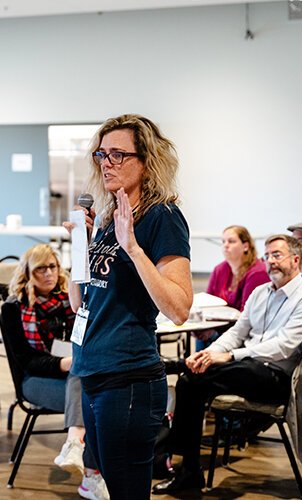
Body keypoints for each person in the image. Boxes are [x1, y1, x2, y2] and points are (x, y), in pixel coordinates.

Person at [63, 114, 193, 499]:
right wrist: (79, 247)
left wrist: (133, 247)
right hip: (92, 372)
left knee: (128, 492)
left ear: (146, 161)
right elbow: (76, 302)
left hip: (128, 379)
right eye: (102, 154)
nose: (106, 162)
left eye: (118, 154)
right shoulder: (107, 218)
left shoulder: (162, 218)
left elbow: (179, 308)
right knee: (107, 485)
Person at [152, 234, 302, 494]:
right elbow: (236, 334)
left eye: (277, 255)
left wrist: (230, 356)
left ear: (296, 259)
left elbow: (283, 346)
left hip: (275, 378)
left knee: (195, 380)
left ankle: (182, 468)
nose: (270, 262)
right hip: (246, 370)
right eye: (267, 256)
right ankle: (188, 470)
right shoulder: (261, 292)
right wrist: (208, 353)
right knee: (191, 382)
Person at [8, 244, 108, 500]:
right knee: (90, 392)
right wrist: (61, 364)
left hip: (75, 375)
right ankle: (91, 474)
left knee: (88, 379)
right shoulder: (15, 307)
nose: (49, 273)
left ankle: (76, 446)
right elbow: (24, 360)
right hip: (36, 380)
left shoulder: (70, 298)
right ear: (28, 272)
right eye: (41, 268)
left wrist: (73, 361)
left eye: (52, 266)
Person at [196, 225, 270, 350]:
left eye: (231, 241)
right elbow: (208, 304)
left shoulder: (257, 272)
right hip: (221, 326)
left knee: (209, 339)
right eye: (223, 241)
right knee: (201, 335)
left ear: (245, 246)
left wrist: (214, 331)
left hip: (244, 332)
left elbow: (247, 317)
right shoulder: (220, 269)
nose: (225, 245)